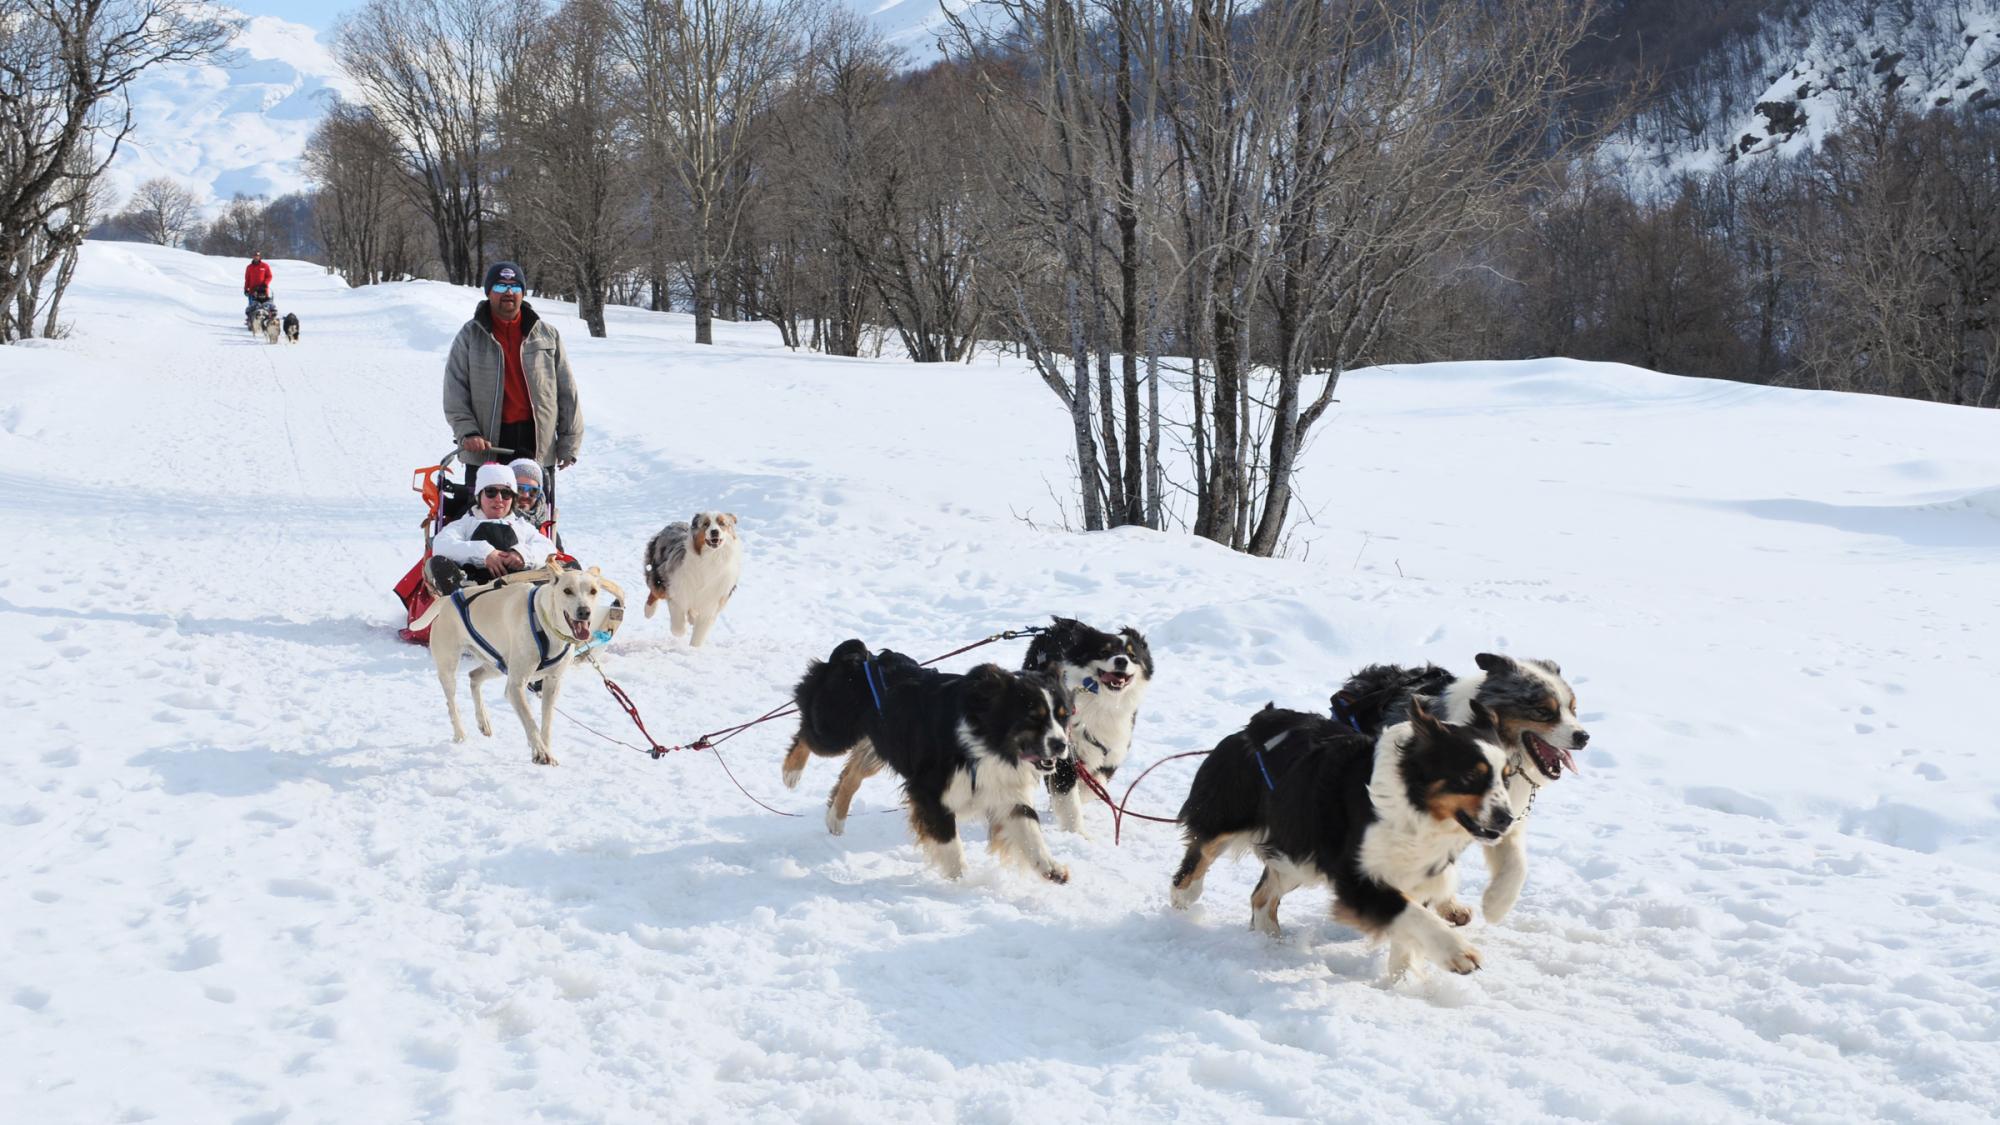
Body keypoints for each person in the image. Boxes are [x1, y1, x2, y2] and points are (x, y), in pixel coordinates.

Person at [442, 261, 582, 481]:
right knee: (487, 513)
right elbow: (455, 394)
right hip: (487, 446)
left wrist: (569, 442)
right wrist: (468, 433)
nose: (508, 292)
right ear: (489, 292)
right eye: (500, 286)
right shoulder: (469, 336)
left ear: (523, 293)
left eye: (515, 287)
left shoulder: (547, 335)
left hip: (535, 444)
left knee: (536, 514)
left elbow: (567, 393)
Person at [427, 463, 558, 596]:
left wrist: (522, 554)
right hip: (472, 591)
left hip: (517, 592)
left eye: (506, 493)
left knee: (562, 568)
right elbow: (441, 544)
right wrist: (484, 553)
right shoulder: (466, 523)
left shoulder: (522, 526)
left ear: (512, 499)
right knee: (437, 563)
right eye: (491, 492)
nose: (499, 499)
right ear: (479, 496)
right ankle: (459, 603)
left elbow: (548, 548)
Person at [509, 458, 548, 527]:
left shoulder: (547, 528)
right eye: (519, 489)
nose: (526, 495)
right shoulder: (493, 522)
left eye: (533, 490)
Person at [244, 252, 272, 323]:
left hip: (263, 290)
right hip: (252, 291)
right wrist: (246, 288)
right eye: (255, 256)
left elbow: (269, 276)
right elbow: (247, 279)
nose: (256, 257)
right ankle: (250, 321)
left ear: (260, 257)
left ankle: (266, 320)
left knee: (265, 306)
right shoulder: (249, 267)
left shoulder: (265, 266)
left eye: (258, 256)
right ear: (253, 257)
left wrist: (265, 283)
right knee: (252, 306)